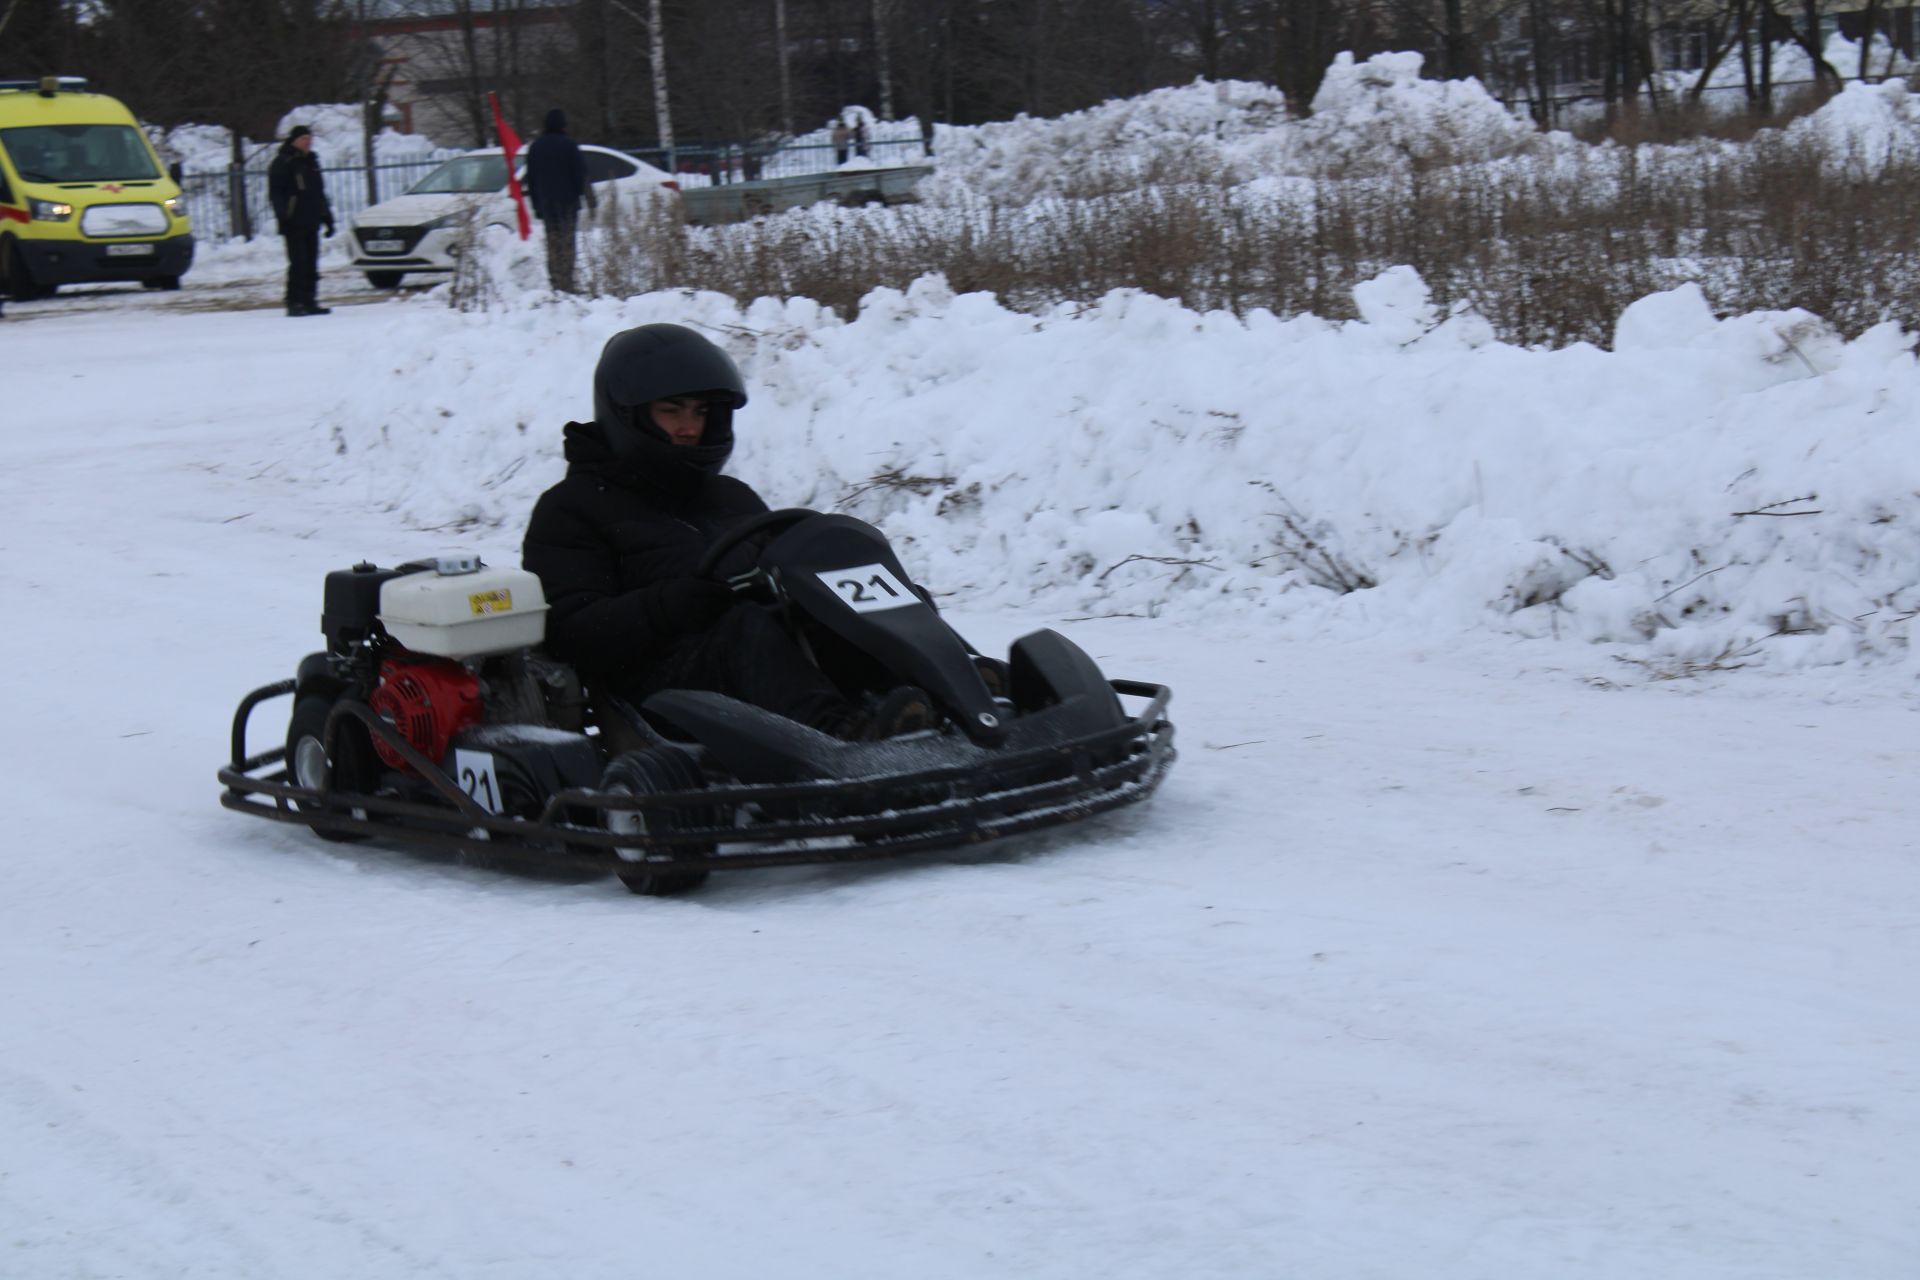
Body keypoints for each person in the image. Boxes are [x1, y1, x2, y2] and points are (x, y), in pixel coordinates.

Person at [521, 324, 930, 741]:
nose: (689, 427)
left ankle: (950, 695)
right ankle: (841, 738)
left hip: (760, 673)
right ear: (629, 414)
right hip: (657, 691)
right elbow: (570, 632)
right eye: (672, 410)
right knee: (743, 627)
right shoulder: (570, 507)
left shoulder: (733, 497)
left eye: (700, 412)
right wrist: (668, 606)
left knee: (860, 603)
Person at [523, 109, 597, 294]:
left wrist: (536, 205)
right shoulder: (569, 145)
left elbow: (531, 179)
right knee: (567, 242)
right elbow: (581, 173)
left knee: (553, 243)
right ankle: (567, 282)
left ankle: (555, 283)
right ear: (563, 125)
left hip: (547, 204)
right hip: (569, 203)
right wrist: (590, 199)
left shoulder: (536, 147)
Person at [266, 125, 334, 317]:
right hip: (293, 221)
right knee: (298, 262)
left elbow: (318, 194)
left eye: (309, 139)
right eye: (304, 138)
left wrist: (327, 218)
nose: (308, 142)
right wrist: (283, 216)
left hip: (311, 219)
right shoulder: (284, 162)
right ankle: (294, 301)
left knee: (312, 262)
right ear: (294, 140)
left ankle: (309, 300)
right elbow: (276, 193)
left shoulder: (311, 162)